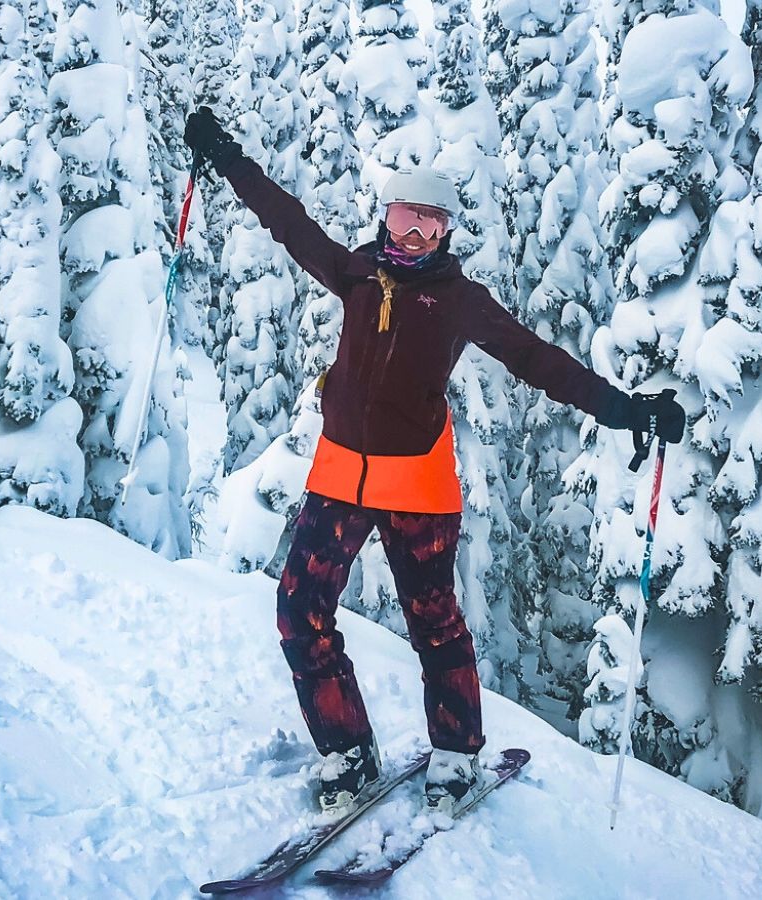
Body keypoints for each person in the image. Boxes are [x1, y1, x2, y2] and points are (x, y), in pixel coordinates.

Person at [183, 106, 685, 815]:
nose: (414, 236)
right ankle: (348, 750)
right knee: (300, 609)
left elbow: (536, 360)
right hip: (338, 478)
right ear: (385, 218)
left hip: (417, 487)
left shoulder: (457, 301)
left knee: (435, 624)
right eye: (403, 220)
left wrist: (626, 408)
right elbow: (287, 220)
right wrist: (228, 158)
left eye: (430, 224)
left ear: (448, 232)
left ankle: (455, 755)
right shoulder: (354, 274)